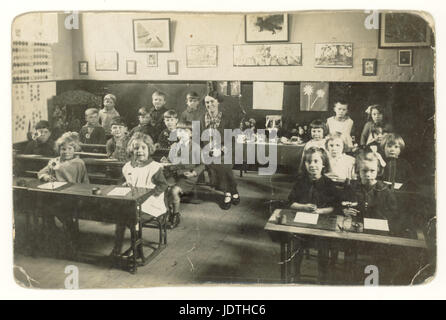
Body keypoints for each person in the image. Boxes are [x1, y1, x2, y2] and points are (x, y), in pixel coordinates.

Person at [110, 132, 168, 256]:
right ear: (132, 149)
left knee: (131, 215)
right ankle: (117, 247)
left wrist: (150, 194)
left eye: (143, 148)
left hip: (151, 203)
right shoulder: (127, 167)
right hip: (133, 201)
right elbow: (124, 182)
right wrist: (125, 184)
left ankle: (137, 248)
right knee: (121, 217)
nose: (139, 151)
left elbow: (163, 185)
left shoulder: (155, 167)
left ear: (149, 149)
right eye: (136, 148)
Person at [288, 147, 338, 282]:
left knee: (323, 245)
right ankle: (295, 275)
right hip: (302, 223)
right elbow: (291, 203)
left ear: (323, 164)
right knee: (296, 242)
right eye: (308, 162)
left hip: (322, 224)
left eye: (316, 161)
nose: (312, 165)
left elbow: (335, 207)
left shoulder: (329, 184)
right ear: (304, 164)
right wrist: (303, 207)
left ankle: (322, 277)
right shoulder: (301, 182)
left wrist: (320, 211)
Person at [37, 132, 89, 252]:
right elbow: (40, 172)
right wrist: (46, 177)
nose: (66, 152)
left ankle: (70, 235)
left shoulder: (79, 163)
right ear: (58, 149)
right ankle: (54, 231)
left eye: (70, 149)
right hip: (56, 194)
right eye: (63, 149)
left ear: (75, 149)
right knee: (45, 205)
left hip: (73, 195)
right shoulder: (54, 161)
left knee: (59, 208)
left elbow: (85, 182)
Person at [201, 90, 240, 210]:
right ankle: (232, 191)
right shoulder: (202, 118)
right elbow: (199, 138)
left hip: (226, 150)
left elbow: (231, 139)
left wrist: (221, 150)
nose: (209, 105)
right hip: (208, 151)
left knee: (223, 162)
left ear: (218, 102)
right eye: (207, 102)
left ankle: (227, 192)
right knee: (217, 162)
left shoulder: (227, 118)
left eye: (212, 101)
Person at [164, 121, 206, 228]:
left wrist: (193, 173)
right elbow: (170, 161)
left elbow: (202, 165)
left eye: (185, 131)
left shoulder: (196, 147)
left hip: (187, 176)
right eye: (179, 131)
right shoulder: (174, 146)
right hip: (174, 174)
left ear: (191, 133)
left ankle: (175, 215)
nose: (182, 133)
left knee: (173, 191)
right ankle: (167, 212)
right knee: (164, 188)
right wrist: (166, 161)